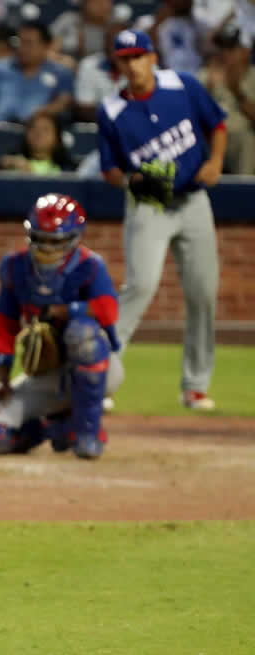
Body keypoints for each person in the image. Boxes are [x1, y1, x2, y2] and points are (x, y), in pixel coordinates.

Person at [97, 29, 226, 410]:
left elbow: (216, 124)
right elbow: (109, 169)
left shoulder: (182, 85)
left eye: (138, 56)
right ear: (117, 65)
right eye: (125, 58)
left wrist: (216, 161)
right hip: (149, 202)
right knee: (140, 286)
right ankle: (97, 373)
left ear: (152, 57)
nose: (133, 64)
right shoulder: (111, 109)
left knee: (203, 294)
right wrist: (130, 182)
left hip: (193, 199)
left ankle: (195, 386)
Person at [0, 194, 125, 460]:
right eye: (40, 240)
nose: (46, 249)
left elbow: (108, 309)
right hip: (46, 375)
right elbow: (5, 324)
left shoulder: (90, 265)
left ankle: (86, 433)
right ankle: (54, 427)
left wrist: (62, 311)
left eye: (54, 242)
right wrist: (2, 381)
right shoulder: (14, 267)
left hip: (99, 367)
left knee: (81, 333)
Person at [0, 21, 75, 122]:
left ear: (45, 46)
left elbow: (64, 102)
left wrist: (44, 113)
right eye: (20, 42)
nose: (23, 48)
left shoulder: (60, 73)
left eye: (29, 43)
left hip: (35, 132)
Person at [200, 22, 255, 173]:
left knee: (246, 140)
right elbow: (193, 116)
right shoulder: (206, 75)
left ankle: (245, 192)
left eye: (231, 48)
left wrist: (237, 91)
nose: (225, 53)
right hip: (211, 137)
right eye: (222, 47)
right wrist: (208, 91)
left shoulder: (253, 76)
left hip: (242, 139)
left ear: (246, 51)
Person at [73, 21, 129, 122]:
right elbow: (85, 109)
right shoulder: (88, 65)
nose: (112, 47)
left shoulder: (147, 67)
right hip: (101, 129)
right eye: (109, 41)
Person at [0, 110, 72, 174]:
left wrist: (29, 172)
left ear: (57, 137)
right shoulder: (13, 163)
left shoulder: (67, 169)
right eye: (33, 128)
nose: (39, 133)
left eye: (46, 129)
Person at [51, 0, 114, 65]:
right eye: (96, 2)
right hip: (68, 69)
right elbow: (49, 50)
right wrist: (62, 60)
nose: (103, 6)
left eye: (107, 1)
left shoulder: (116, 25)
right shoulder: (68, 21)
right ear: (84, 3)